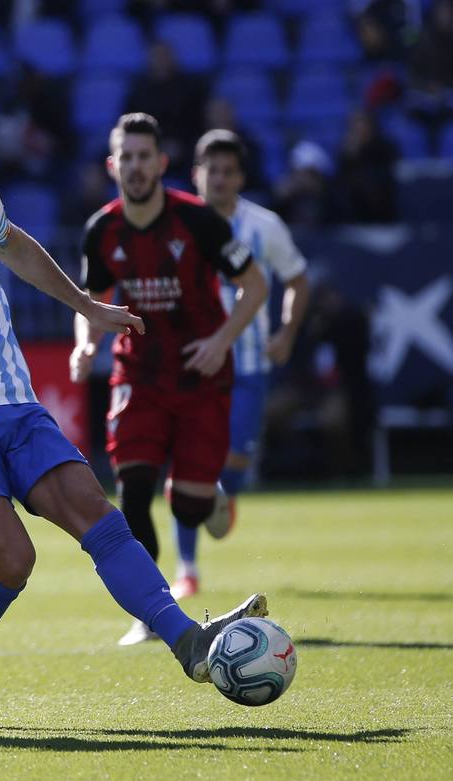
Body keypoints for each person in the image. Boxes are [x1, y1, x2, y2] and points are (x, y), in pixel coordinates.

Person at [0, 93, 269, 728]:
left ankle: (183, 639)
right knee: (13, 559)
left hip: (17, 405)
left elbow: (20, 249)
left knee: (97, 513)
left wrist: (87, 307)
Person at [68, 113, 269, 648]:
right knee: (132, 491)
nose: (135, 167)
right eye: (125, 158)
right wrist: (86, 344)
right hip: (140, 376)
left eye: (144, 157)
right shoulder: (101, 230)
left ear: (160, 163)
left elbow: (254, 284)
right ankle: (151, 614)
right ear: (114, 166)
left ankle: (210, 500)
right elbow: (89, 303)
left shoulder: (199, 221)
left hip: (202, 375)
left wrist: (223, 339)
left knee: (188, 508)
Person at [152, 129, 308, 611]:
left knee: (233, 463)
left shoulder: (265, 227)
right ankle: (188, 570)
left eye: (227, 171)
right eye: (210, 170)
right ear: (197, 174)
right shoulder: (171, 223)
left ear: (240, 177)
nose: (218, 179)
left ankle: (226, 492)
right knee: (185, 466)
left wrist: (285, 332)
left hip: (247, 366)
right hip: (192, 363)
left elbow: (297, 281)